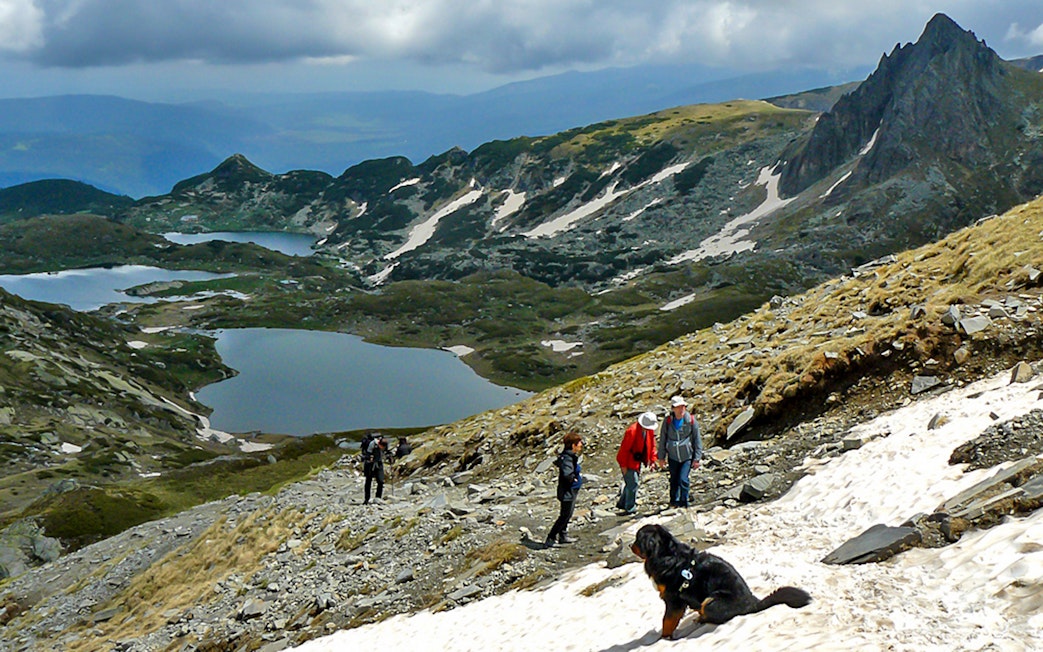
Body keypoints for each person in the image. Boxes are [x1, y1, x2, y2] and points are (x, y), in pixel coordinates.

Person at [658, 395, 703, 508]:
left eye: (683, 406)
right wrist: (661, 457)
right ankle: (674, 502)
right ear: (673, 408)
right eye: (678, 407)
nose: (681, 409)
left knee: (683, 479)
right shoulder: (668, 421)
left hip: (686, 456)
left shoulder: (691, 421)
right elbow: (663, 439)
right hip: (673, 456)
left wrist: (697, 458)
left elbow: (697, 440)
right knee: (674, 480)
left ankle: (684, 502)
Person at [546, 432, 584, 548]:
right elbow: (567, 474)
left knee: (567, 514)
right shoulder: (567, 458)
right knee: (564, 516)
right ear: (573, 445)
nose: (581, 445)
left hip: (569, 490)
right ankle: (551, 538)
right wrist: (574, 480)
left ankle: (563, 536)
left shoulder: (569, 457)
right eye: (579, 443)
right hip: (568, 491)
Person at [616, 412, 658, 514]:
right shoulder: (632, 431)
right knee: (633, 483)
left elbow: (652, 445)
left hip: (638, 461)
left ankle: (622, 503)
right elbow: (624, 450)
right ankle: (630, 508)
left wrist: (652, 460)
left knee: (630, 483)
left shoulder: (649, 431)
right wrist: (623, 466)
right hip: (629, 461)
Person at [363, 436, 388, 504]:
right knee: (368, 480)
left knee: (380, 481)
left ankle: (378, 498)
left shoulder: (385, 445)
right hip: (370, 464)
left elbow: (386, 452)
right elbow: (368, 454)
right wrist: (370, 458)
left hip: (379, 463)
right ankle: (366, 499)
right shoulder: (372, 444)